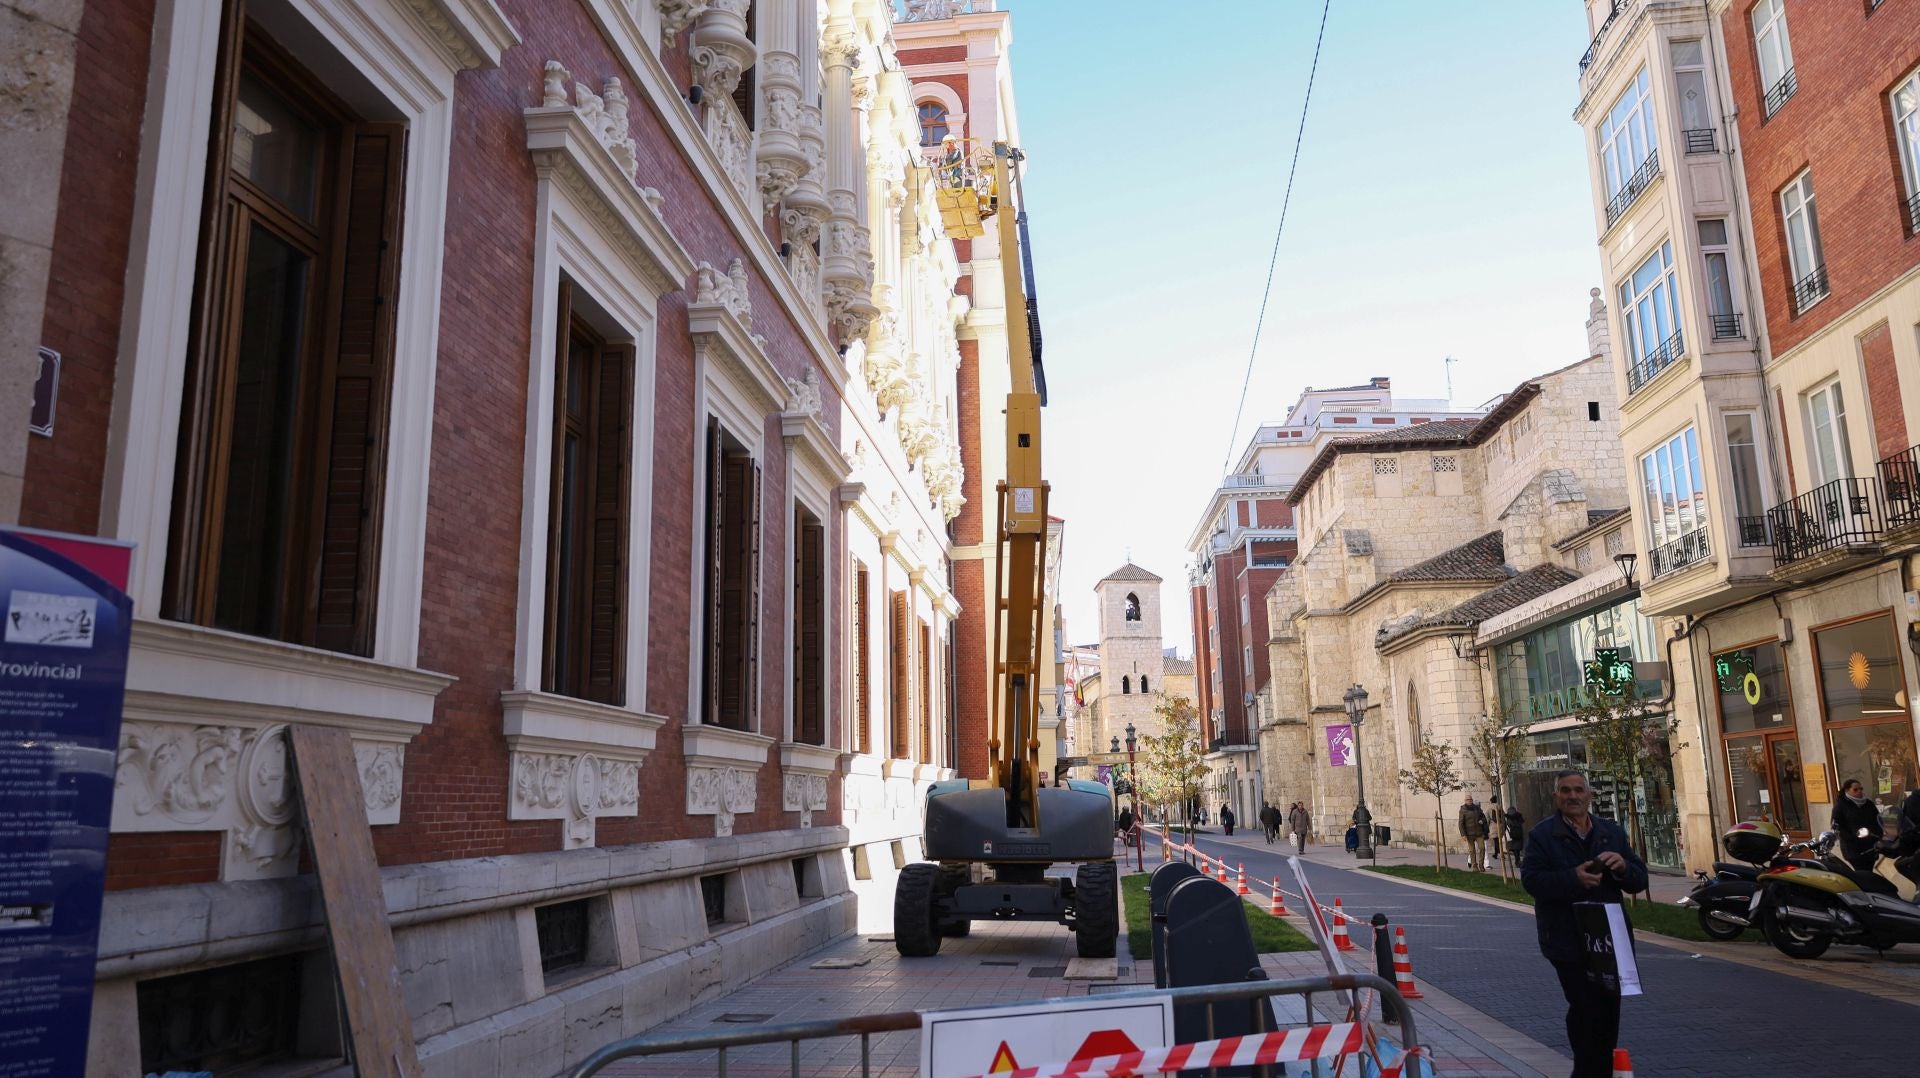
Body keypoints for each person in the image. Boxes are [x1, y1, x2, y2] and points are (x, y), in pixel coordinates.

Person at [1521, 769, 1648, 1078]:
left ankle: (1594, 1067)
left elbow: (1639, 878)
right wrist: (1573, 878)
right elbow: (1532, 881)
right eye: (1565, 791)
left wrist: (1622, 870)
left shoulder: (1611, 832)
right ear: (1556, 797)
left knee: (1608, 1007)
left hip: (1608, 938)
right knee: (1585, 1005)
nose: (1573, 796)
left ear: (1589, 796)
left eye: (1578, 790)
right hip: (1567, 938)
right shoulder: (1542, 835)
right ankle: (1589, 1070)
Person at [1832, 778, 1883, 871]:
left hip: (1870, 845)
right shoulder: (1841, 806)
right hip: (1853, 849)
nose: (1859, 791)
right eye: (1855, 790)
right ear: (1847, 791)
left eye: (1861, 789)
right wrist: (1853, 838)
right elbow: (1837, 826)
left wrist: (1878, 835)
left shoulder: (1868, 804)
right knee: (1862, 872)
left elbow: (1878, 820)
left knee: (1868, 872)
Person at [1459, 794, 1490, 871]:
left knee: (1482, 848)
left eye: (1471, 799)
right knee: (1472, 850)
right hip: (1469, 834)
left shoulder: (1477, 808)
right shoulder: (1463, 810)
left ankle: (1481, 865)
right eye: (1468, 800)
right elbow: (1460, 823)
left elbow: (1483, 817)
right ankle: (1474, 866)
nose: (1470, 801)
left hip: (1479, 833)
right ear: (1465, 801)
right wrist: (1463, 834)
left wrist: (1482, 821)